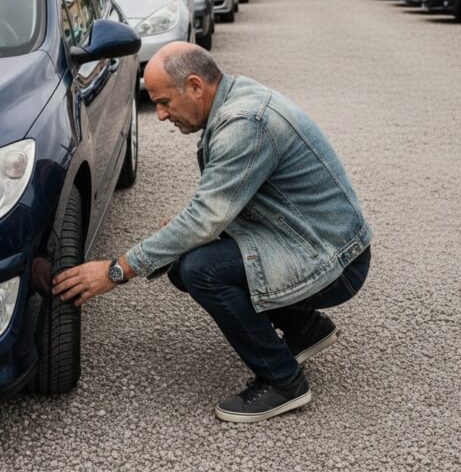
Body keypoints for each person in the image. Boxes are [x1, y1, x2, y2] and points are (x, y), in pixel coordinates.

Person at [52, 42, 372, 424]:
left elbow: (205, 219)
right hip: (310, 241)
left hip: (333, 260)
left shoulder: (244, 123)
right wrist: (173, 238)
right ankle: (305, 329)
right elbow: (221, 204)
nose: (161, 115)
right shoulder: (234, 97)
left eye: (165, 102)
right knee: (180, 256)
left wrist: (115, 270)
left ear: (195, 86)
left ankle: (283, 382)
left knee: (200, 268)